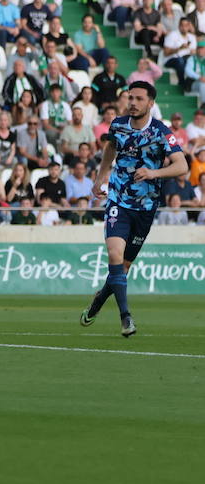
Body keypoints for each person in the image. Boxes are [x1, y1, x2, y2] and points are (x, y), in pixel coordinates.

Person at [80, 82, 187, 337]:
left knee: (123, 268)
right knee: (114, 256)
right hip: (118, 201)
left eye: (139, 99)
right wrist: (100, 177)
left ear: (150, 103)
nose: (133, 103)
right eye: (131, 98)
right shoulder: (118, 125)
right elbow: (110, 147)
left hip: (146, 207)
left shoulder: (162, 132)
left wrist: (154, 172)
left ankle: (98, 300)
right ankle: (126, 318)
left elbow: (181, 165)